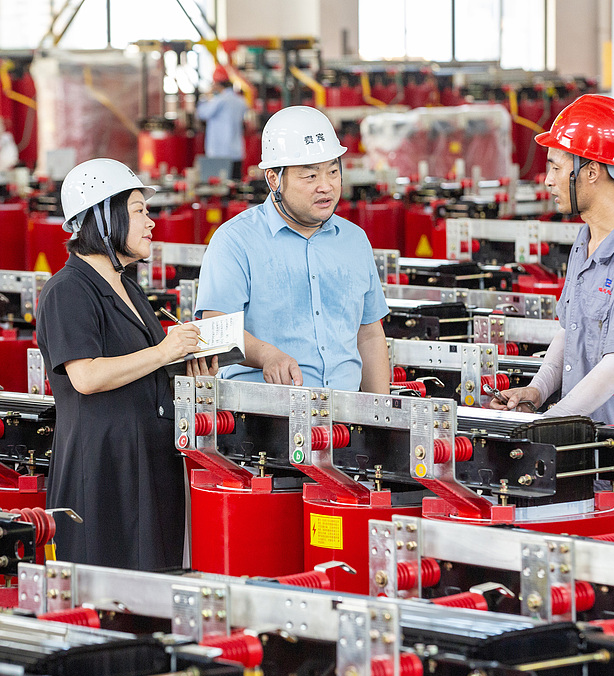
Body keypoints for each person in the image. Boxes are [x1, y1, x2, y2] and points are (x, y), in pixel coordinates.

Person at [492, 94, 614, 544]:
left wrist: (551, 422)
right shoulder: (586, 242)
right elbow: (568, 333)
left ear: (590, 171)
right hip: (585, 457)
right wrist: (536, 393)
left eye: (558, 166)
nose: (548, 178)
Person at [36, 158, 215, 571]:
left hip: (149, 463)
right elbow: (86, 376)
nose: (150, 222)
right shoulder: (67, 291)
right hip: (102, 470)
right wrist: (164, 352)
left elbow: (148, 368)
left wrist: (189, 364)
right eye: (139, 211)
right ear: (103, 218)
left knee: (154, 583)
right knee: (104, 590)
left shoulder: (129, 289)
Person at [195, 106, 391, 393]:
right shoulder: (235, 241)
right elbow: (216, 328)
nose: (326, 186)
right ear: (274, 178)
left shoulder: (354, 240)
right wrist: (267, 356)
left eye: (333, 171)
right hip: (263, 419)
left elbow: (369, 335)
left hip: (346, 421)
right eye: (310, 176)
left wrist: (379, 418)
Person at [196, 65, 249, 180]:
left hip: (219, 153)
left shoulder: (219, 101)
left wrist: (206, 96)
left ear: (216, 84)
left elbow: (201, 113)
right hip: (236, 151)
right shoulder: (240, 100)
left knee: (220, 188)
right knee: (235, 185)